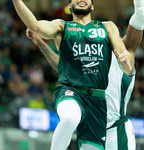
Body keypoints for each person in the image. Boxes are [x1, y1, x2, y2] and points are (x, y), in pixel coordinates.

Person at [12, 0, 134, 149]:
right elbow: (35, 26)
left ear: (92, 6)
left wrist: (124, 57)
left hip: (98, 99)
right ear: (69, 6)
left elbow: (122, 52)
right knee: (70, 118)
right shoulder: (62, 26)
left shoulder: (107, 27)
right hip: (72, 92)